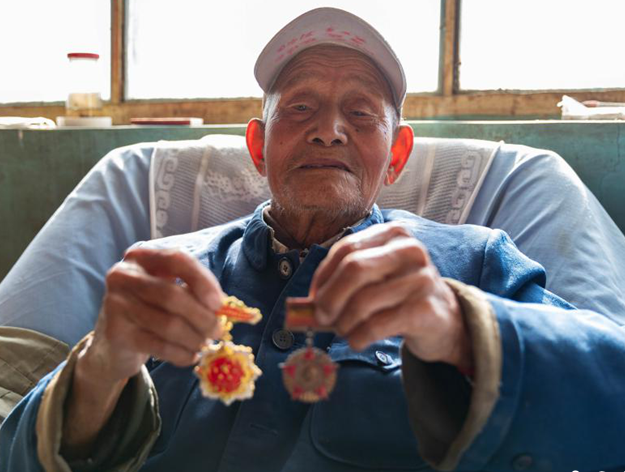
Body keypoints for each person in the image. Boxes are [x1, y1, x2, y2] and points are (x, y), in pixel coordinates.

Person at [1, 7, 625, 472]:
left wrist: (460, 328)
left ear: (397, 155)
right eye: (299, 108)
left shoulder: (474, 262)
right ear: (258, 146)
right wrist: (98, 368)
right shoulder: (167, 271)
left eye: (361, 113)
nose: (329, 130)